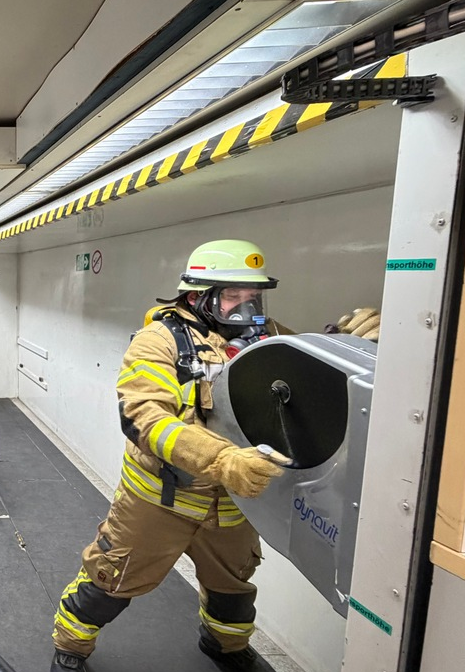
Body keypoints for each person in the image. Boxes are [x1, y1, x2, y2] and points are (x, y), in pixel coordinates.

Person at [50, 240, 292, 672]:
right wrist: (222, 461)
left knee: (233, 589)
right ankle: (71, 647)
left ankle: (225, 646)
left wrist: (355, 340)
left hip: (233, 505)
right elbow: (145, 418)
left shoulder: (270, 337)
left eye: (253, 296)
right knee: (109, 581)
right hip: (161, 500)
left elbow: (315, 366)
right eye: (233, 296)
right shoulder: (157, 341)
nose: (246, 307)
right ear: (198, 296)